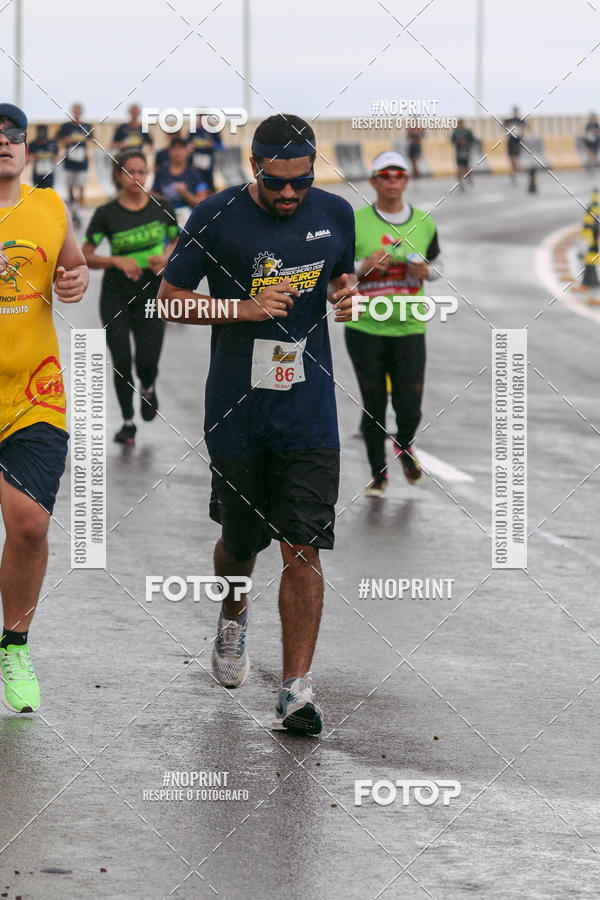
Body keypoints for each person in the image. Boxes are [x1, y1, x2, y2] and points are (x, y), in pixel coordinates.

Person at [158, 114, 357, 736]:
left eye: (301, 181)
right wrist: (242, 307)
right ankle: (233, 612)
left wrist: (345, 294)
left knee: (304, 543)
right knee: (242, 542)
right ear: (254, 168)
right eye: (277, 184)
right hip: (238, 409)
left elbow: (339, 275)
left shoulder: (337, 213)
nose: (291, 194)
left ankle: (296, 690)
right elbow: (168, 298)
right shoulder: (214, 215)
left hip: (309, 410)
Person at [0, 102, 88, 713]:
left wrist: (74, 281)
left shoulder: (51, 206)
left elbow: (73, 266)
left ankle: (15, 645)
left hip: (36, 389)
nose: (2, 144)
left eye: (12, 136)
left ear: (26, 148)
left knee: (29, 522)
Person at [345, 151, 442, 497]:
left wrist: (426, 271)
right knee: (373, 403)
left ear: (406, 180)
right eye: (384, 175)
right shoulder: (355, 222)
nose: (391, 180)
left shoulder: (424, 222)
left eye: (398, 174)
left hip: (409, 328)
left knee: (409, 404)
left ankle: (404, 443)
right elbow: (337, 274)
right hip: (365, 328)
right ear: (373, 181)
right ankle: (378, 474)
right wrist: (363, 265)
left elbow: (438, 266)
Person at [83, 149, 179, 445]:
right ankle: (127, 423)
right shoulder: (106, 214)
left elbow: (177, 239)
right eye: (129, 172)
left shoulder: (161, 207)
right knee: (121, 359)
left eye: (141, 171)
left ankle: (148, 387)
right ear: (117, 175)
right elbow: (86, 254)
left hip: (152, 292)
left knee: (146, 360)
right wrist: (116, 261)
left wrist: (165, 256)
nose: (136, 177)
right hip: (116, 293)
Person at [56, 103, 93, 228]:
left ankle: (80, 210)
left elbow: (93, 139)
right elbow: (56, 138)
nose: (77, 113)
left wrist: (84, 140)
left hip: (82, 161)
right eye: (75, 111)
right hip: (69, 160)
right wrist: (66, 140)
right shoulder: (66, 126)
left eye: (79, 111)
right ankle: (72, 208)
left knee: (81, 186)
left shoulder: (87, 126)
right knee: (70, 186)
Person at [187, 115, 223, 191]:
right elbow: (186, 144)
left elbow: (221, 146)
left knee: (209, 182)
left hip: (208, 162)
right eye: (201, 118)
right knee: (196, 180)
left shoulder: (213, 131)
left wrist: (212, 144)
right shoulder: (193, 131)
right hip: (195, 161)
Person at [28, 124, 59, 190]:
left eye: (43, 132)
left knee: (49, 191)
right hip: (37, 173)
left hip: (49, 172)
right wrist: (36, 156)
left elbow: (57, 157)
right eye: (40, 132)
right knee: (37, 191)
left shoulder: (52, 143)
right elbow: (29, 159)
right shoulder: (33, 144)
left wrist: (50, 156)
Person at [503, 106, 528, 179]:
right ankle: (515, 171)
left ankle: (518, 170)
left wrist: (522, 135)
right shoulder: (509, 120)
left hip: (517, 139)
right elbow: (504, 125)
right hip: (511, 139)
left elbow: (525, 128)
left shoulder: (521, 120)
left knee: (514, 156)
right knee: (511, 156)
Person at [451, 118, 475, 190]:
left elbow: (472, 140)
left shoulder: (467, 131)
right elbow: (452, 141)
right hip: (459, 152)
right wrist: (459, 143)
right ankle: (461, 182)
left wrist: (466, 143)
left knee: (466, 167)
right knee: (459, 168)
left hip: (466, 151)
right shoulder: (455, 132)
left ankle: (469, 177)